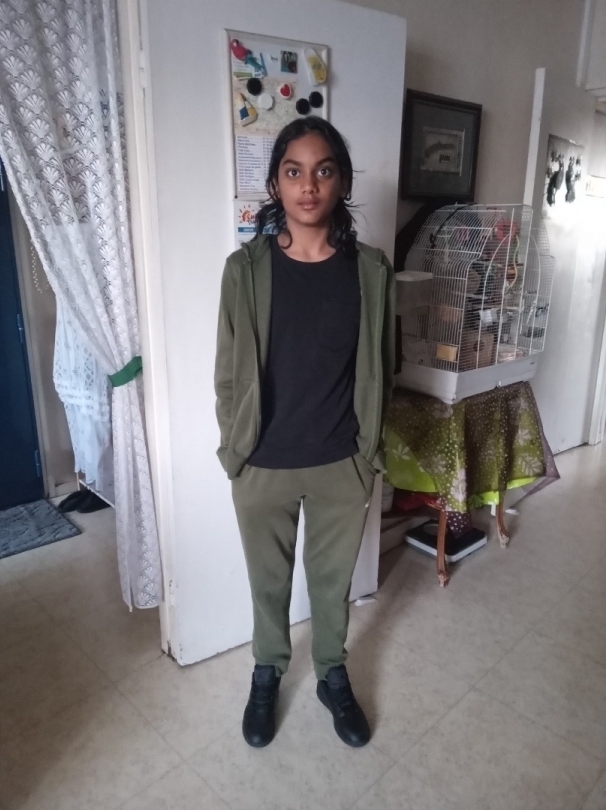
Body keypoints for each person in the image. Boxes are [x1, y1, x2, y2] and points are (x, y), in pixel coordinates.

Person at [214, 117, 395, 748]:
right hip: (262, 461)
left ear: (341, 183)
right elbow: (227, 372)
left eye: (323, 171)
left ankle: (331, 674)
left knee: (330, 584)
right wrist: (234, 451)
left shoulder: (370, 271)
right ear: (275, 185)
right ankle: (267, 672)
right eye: (294, 172)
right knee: (267, 585)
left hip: (340, 461)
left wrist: (367, 453)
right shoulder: (245, 270)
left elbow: (383, 366)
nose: (308, 185)